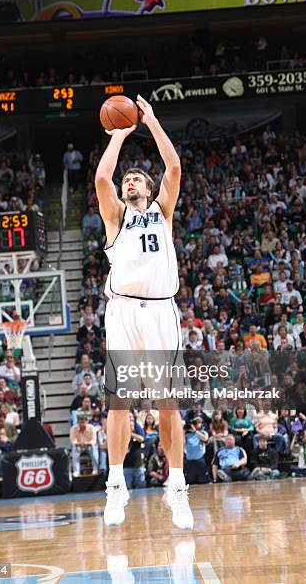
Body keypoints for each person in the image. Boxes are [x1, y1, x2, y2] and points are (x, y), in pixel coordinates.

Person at [96, 94, 193, 529]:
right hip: (121, 314)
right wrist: (118, 136)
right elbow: (102, 178)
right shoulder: (115, 216)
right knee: (120, 405)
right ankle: (116, 485)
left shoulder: (161, 213)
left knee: (168, 405)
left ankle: (176, 486)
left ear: (149, 190)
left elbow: (173, 168)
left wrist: (151, 122)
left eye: (137, 177)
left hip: (159, 312)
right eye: (128, 178)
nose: (131, 180)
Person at [184, 416, 209, 485]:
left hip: (199, 460)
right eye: (194, 423)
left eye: (198, 423)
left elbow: (205, 439)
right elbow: (181, 444)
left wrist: (195, 431)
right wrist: (183, 431)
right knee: (190, 482)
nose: (196, 424)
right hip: (189, 461)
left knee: (203, 481)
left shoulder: (203, 432)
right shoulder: (187, 434)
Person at [123, 412, 146, 490]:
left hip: (138, 465)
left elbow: (142, 439)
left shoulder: (137, 432)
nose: (131, 426)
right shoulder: (122, 434)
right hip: (126, 466)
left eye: (132, 425)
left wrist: (131, 434)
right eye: (130, 425)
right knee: (127, 488)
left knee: (141, 487)